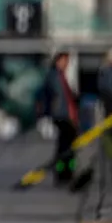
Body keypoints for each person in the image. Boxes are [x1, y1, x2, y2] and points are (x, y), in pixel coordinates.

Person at [37, 51, 80, 185]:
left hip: (65, 115)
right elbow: (50, 95)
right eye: (65, 61)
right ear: (58, 61)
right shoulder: (54, 76)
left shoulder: (60, 76)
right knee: (65, 147)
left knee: (68, 146)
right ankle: (62, 172)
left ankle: (67, 171)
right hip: (61, 115)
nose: (67, 64)